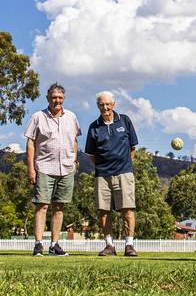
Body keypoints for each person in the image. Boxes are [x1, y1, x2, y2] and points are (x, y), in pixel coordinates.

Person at [24, 83, 81, 256]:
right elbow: (30, 143)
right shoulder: (37, 117)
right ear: (47, 98)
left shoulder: (71, 117)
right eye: (54, 97)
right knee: (42, 206)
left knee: (59, 207)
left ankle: (54, 245)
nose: (57, 100)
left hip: (66, 168)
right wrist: (31, 169)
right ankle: (38, 244)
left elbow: (75, 140)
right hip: (44, 167)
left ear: (64, 98)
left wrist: (74, 161)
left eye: (60, 97)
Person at [85, 91, 139, 257]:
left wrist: (124, 165)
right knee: (104, 210)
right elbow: (91, 154)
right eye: (101, 104)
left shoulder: (124, 120)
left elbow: (132, 148)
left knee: (128, 209)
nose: (105, 107)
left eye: (108, 104)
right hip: (102, 174)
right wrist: (104, 166)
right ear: (98, 106)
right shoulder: (93, 126)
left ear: (113, 105)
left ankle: (129, 245)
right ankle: (109, 246)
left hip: (124, 172)